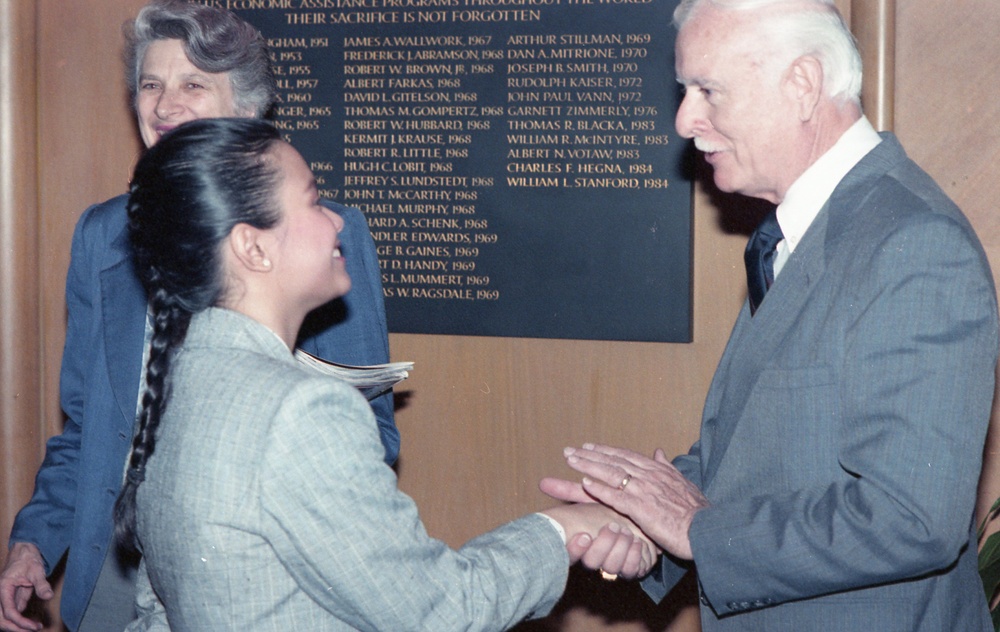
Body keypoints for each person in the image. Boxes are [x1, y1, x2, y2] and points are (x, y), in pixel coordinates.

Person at [542, 0, 999, 630]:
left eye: (708, 90)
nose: (684, 120)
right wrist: (636, 517)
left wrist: (695, 529)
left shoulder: (911, 244)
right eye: (685, 90)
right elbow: (756, 457)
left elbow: (910, 518)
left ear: (803, 85)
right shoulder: (806, 228)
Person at [114, 117, 656, 631]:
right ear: (252, 247)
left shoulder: (178, 379)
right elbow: (440, 611)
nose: (338, 221)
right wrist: (560, 529)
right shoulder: (298, 412)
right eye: (314, 200)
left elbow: (156, 612)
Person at [0, 2, 397, 631]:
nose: (163, 106)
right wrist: (35, 541)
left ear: (246, 110)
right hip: (115, 576)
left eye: (193, 85)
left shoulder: (321, 239)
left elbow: (370, 430)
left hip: (254, 578)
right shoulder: (102, 237)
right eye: (150, 84)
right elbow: (84, 429)